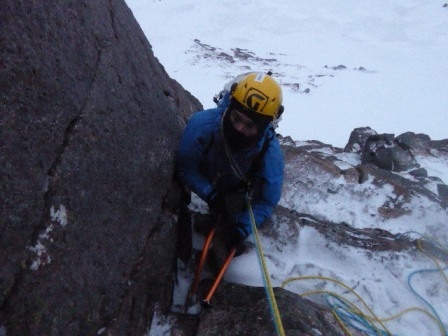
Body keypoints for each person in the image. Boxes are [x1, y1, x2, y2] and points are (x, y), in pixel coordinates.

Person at [176, 72, 285, 261]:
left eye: (250, 125)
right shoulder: (203, 125)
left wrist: (243, 228)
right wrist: (209, 193)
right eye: (236, 118)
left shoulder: (270, 153)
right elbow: (186, 166)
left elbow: (267, 201)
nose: (239, 129)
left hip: (236, 189)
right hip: (212, 178)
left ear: (265, 126)